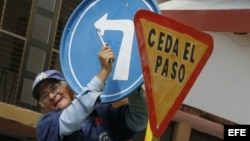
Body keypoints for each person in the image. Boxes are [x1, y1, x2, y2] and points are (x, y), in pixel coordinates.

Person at [32, 46, 148, 141]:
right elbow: (73, 116)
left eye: (54, 88)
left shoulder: (102, 111)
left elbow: (139, 119)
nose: (51, 96)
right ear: (44, 105)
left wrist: (132, 83)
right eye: (44, 96)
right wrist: (103, 72)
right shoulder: (46, 125)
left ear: (68, 87)